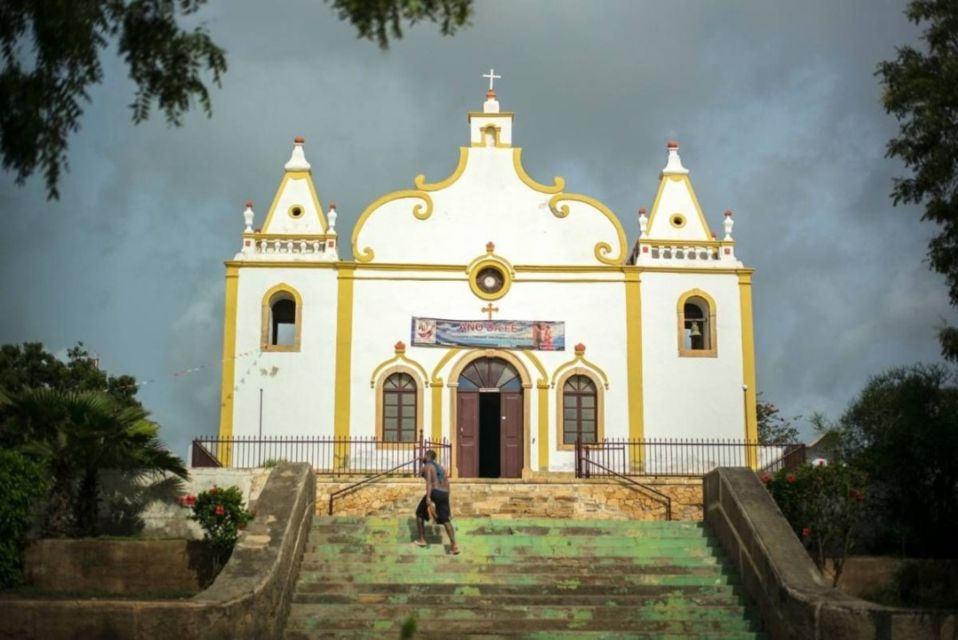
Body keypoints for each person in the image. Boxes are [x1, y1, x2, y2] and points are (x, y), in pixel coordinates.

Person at [414, 449, 459, 554]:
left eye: (424, 455)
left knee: (419, 513)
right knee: (446, 520)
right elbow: (447, 484)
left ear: (427, 456)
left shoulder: (428, 466)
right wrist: (447, 498)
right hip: (444, 493)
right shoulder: (441, 468)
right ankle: (454, 545)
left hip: (434, 492)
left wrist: (429, 498)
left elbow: (428, 481)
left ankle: (422, 539)